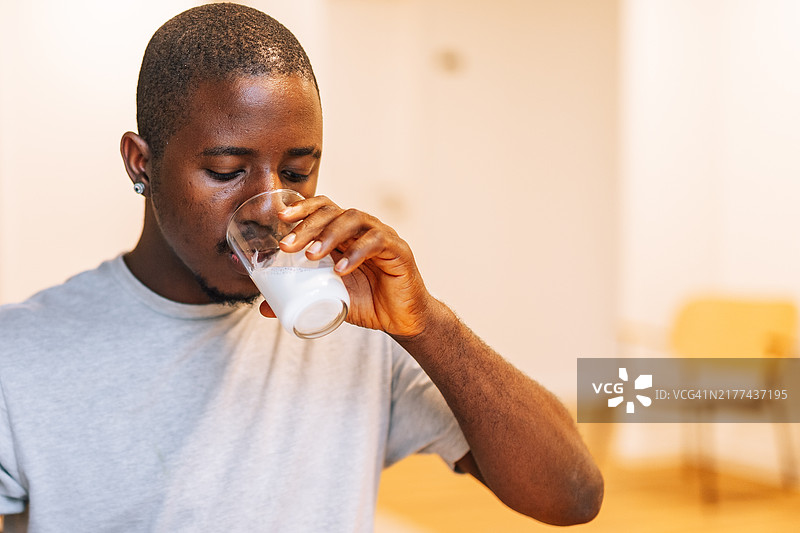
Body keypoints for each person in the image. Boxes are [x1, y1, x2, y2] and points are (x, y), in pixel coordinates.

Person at [0, 3, 602, 531]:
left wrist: (428, 325)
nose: (270, 209)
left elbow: (573, 496)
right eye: (226, 169)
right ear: (140, 164)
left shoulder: (359, 330)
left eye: (295, 174)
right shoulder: (21, 359)